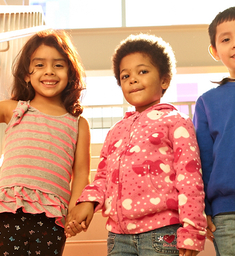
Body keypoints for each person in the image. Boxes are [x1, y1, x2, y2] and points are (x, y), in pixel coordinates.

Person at [65, 33, 207, 256]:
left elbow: (190, 180)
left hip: (162, 233)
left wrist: (193, 230)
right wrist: (88, 202)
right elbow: (102, 178)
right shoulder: (116, 131)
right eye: (125, 76)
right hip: (118, 237)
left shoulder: (176, 122)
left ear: (164, 80)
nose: (132, 79)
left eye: (142, 71)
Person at [0, 29, 91, 256]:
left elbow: (81, 174)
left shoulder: (78, 124)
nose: (49, 71)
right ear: (26, 75)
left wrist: (74, 211)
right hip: (7, 209)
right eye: (39, 65)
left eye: (58, 65)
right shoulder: (15, 108)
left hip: (51, 218)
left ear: (70, 73)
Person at [193, 6, 235, 256]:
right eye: (226, 39)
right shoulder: (206, 102)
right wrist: (205, 209)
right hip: (228, 215)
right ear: (215, 51)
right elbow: (204, 162)